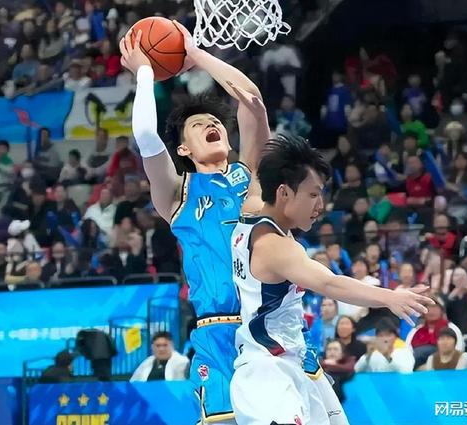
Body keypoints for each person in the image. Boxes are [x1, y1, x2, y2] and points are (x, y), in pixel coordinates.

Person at [120, 22, 275, 425]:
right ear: (184, 148)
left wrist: (196, 55)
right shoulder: (177, 193)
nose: (212, 125)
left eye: (216, 122)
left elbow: (252, 101)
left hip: (269, 325)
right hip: (215, 333)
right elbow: (145, 134)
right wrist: (145, 72)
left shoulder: (251, 176)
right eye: (198, 124)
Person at [229, 136, 433, 424]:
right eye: (313, 195)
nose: (321, 205)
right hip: (269, 371)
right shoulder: (274, 246)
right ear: (284, 192)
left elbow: (255, 162)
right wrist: (390, 297)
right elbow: (330, 284)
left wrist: (256, 114)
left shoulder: (251, 210)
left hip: (293, 361)